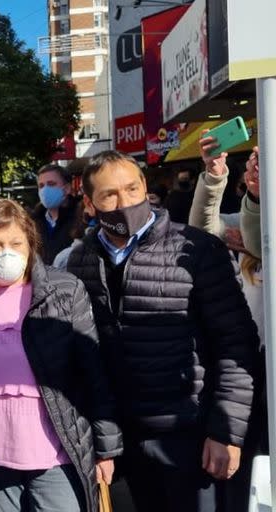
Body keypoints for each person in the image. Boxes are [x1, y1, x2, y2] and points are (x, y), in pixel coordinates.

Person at [66, 150, 259, 512]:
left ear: (145, 188)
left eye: (132, 189)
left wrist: (226, 432)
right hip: (123, 439)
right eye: (110, 195)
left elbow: (235, 343)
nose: (124, 202)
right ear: (90, 204)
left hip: (192, 436)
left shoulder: (196, 249)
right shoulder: (81, 261)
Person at [0, 198, 121, 511]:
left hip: (55, 456)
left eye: (16, 243)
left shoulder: (63, 290)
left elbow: (93, 371)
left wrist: (106, 447)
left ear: (31, 244)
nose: (7, 253)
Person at [193, 136, 265, 511]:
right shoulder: (244, 223)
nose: (255, 169)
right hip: (252, 371)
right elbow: (204, 229)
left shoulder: (255, 230)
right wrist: (215, 176)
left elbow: (256, 239)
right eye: (253, 162)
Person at [32, 164, 78, 265]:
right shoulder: (33, 223)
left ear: (67, 189)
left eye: (51, 184)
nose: (45, 190)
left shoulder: (81, 218)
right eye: (41, 186)